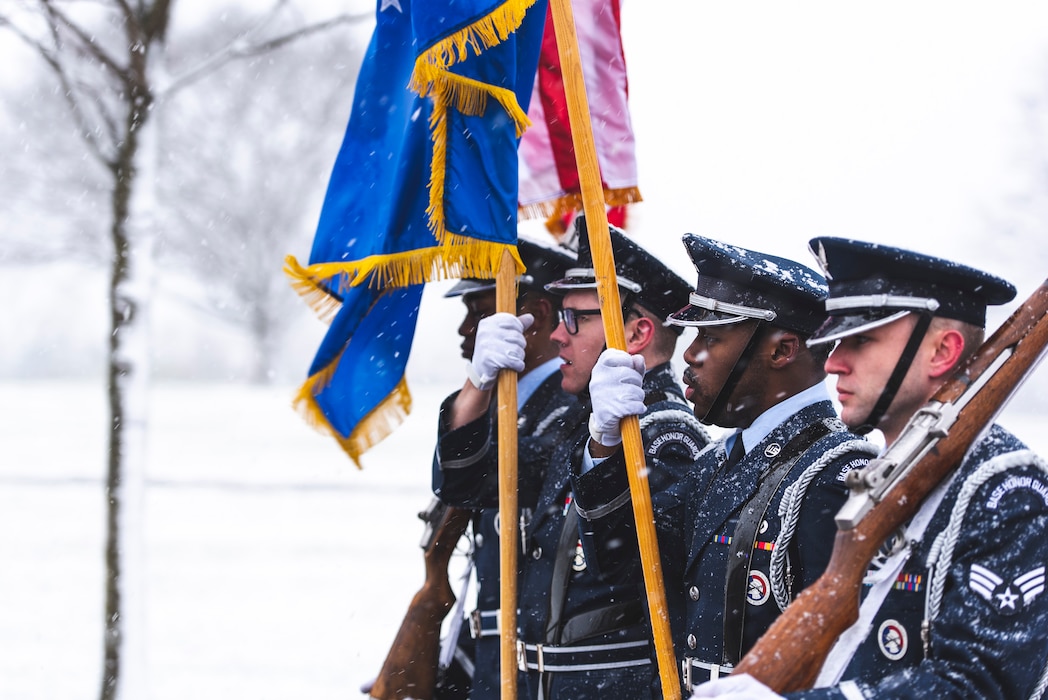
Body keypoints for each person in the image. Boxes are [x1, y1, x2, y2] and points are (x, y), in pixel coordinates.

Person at [692, 238, 1048, 699]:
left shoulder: (1005, 490)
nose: (835, 362)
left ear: (943, 351)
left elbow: (981, 685)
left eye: (861, 340)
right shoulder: (884, 474)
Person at [572, 234, 875, 697]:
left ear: (781, 350)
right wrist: (605, 443)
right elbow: (625, 566)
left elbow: (849, 655)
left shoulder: (836, 474)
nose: (690, 354)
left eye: (711, 336)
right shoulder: (718, 462)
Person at [438, 214, 710, 700]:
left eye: (574, 319)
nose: (558, 337)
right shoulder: (573, 424)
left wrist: (606, 448)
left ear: (638, 334)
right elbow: (466, 486)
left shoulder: (668, 435)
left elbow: (629, 567)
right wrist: (475, 386)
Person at [431, 234, 586, 700]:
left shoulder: (569, 408)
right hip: (495, 659)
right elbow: (453, 484)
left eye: (478, 312)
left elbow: (480, 480)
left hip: (534, 664)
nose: (464, 332)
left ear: (535, 317)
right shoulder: (510, 407)